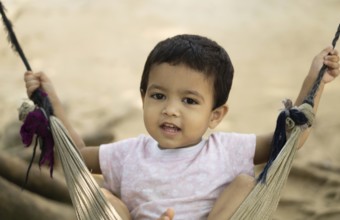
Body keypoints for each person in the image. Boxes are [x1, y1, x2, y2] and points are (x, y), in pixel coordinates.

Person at [24, 34, 339, 220]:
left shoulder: (226, 150)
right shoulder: (129, 154)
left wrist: (314, 83)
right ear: (143, 97)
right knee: (103, 198)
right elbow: (76, 154)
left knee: (246, 183)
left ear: (215, 115)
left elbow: (288, 141)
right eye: (158, 95)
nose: (170, 110)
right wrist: (50, 100)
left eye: (189, 101)